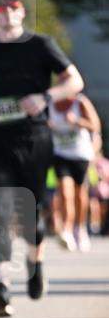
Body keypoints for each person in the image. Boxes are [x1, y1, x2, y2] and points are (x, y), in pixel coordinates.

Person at [0, 0, 83, 317]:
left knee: (31, 215)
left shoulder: (40, 45)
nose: (5, 12)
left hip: (34, 140)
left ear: (21, 12)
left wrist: (46, 98)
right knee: (0, 212)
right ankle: (1, 287)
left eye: (12, 6)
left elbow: (74, 81)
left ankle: (35, 265)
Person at [49, 93, 102, 252]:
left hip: (81, 155)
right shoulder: (50, 103)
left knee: (80, 194)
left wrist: (77, 121)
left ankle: (80, 229)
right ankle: (66, 230)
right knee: (65, 193)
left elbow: (95, 126)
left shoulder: (80, 103)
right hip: (60, 154)